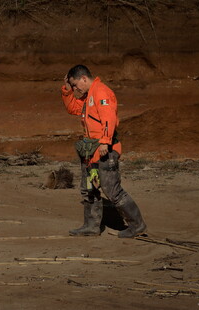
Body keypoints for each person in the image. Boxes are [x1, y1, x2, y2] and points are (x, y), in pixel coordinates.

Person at [61, 64, 146, 238]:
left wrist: (105, 142)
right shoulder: (88, 96)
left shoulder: (101, 92)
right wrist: (67, 90)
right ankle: (91, 227)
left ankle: (137, 225)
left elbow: (109, 117)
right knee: (89, 188)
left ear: (84, 78)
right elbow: (72, 108)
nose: (76, 89)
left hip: (104, 149)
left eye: (76, 85)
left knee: (112, 190)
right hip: (90, 152)